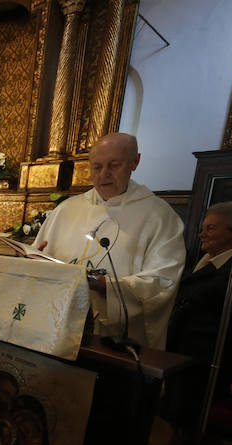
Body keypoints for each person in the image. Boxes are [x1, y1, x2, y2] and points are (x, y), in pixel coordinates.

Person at [33, 133, 186, 349]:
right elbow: (37, 258)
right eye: (96, 167)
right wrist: (34, 261)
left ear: (135, 162)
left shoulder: (159, 216)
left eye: (114, 165)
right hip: (56, 327)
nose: (104, 174)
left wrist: (108, 286)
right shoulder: (66, 209)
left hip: (115, 341)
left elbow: (163, 281)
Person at [166, 201, 232, 412]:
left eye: (211, 228)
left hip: (209, 363)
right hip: (183, 357)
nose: (202, 234)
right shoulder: (205, 262)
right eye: (202, 228)